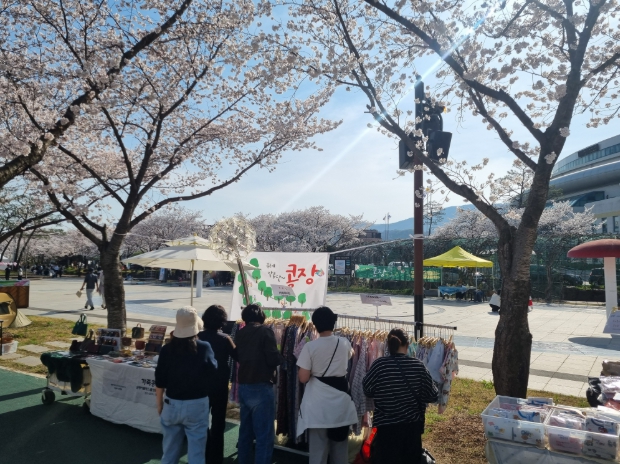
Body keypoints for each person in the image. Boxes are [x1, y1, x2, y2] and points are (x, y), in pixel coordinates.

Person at [363, 328, 438, 464]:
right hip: (411, 429)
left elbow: (367, 390)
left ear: (388, 344)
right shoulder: (418, 366)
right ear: (407, 344)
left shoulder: (379, 365)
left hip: (386, 429)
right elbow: (433, 395)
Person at [155, 307, 217, 464]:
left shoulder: (166, 349)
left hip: (171, 403)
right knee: (197, 455)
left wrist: (159, 404)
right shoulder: (204, 347)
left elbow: (159, 380)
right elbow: (213, 371)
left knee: (169, 454)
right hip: (197, 404)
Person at [296, 306, 358, 464]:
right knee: (340, 451)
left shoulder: (310, 347)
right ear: (333, 323)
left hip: (318, 405)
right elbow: (351, 354)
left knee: (318, 453)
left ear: (315, 325)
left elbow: (303, 378)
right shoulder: (344, 343)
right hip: (341, 402)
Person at [234, 304, 284, 464]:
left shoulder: (240, 333)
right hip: (261, 386)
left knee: (245, 432)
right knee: (264, 436)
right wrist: (282, 357)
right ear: (261, 317)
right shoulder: (265, 332)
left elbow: (237, 355)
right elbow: (273, 358)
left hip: (244, 385)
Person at [198, 305, 237, 464]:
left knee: (201, 422)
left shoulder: (198, 337)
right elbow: (238, 356)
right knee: (218, 422)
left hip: (201, 384)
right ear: (222, 321)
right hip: (220, 384)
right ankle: (216, 457)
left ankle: (203, 454)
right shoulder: (225, 338)